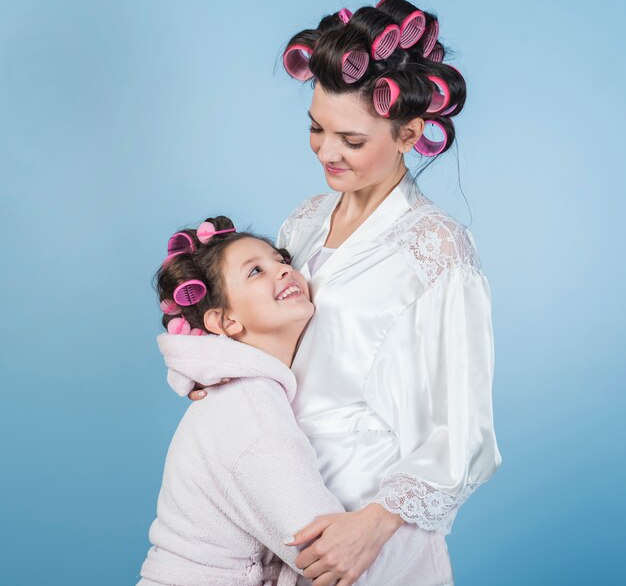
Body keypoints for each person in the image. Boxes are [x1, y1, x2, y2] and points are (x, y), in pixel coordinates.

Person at [191, 0, 501, 585]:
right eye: (316, 128)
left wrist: (375, 524)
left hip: (373, 536)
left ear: (410, 132)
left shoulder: (437, 251)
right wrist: (228, 378)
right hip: (283, 508)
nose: (327, 152)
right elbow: (271, 345)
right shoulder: (303, 224)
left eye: (351, 141)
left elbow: (464, 433)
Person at [138, 217, 453, 586]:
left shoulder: (248, 392)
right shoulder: (250, 412)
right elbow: (328, 557)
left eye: (282, 260)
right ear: (224, 321)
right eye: (256, 271)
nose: (285, 272)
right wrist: (412, 517)